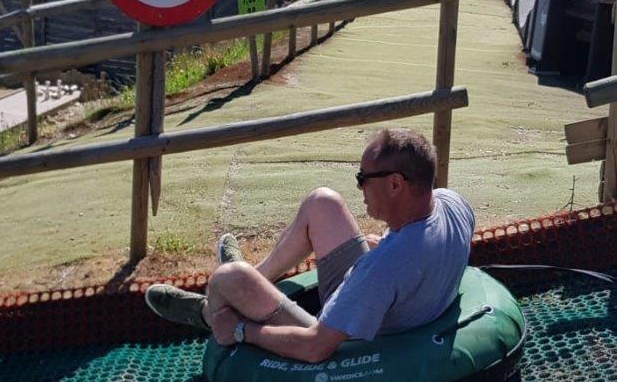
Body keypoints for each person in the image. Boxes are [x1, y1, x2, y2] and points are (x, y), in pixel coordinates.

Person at [146, 128, 475, 363]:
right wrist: (387, 246)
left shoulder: (383, 269)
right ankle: (258, 277)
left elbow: (315, 347)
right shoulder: (454, 203)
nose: (359, 187)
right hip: (389, 299)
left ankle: (207, 313)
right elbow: (415, 255)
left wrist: (242, 330)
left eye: (363, 178)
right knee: (323, 203)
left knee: (229, 277)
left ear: (394, 184)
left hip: (348, 339)